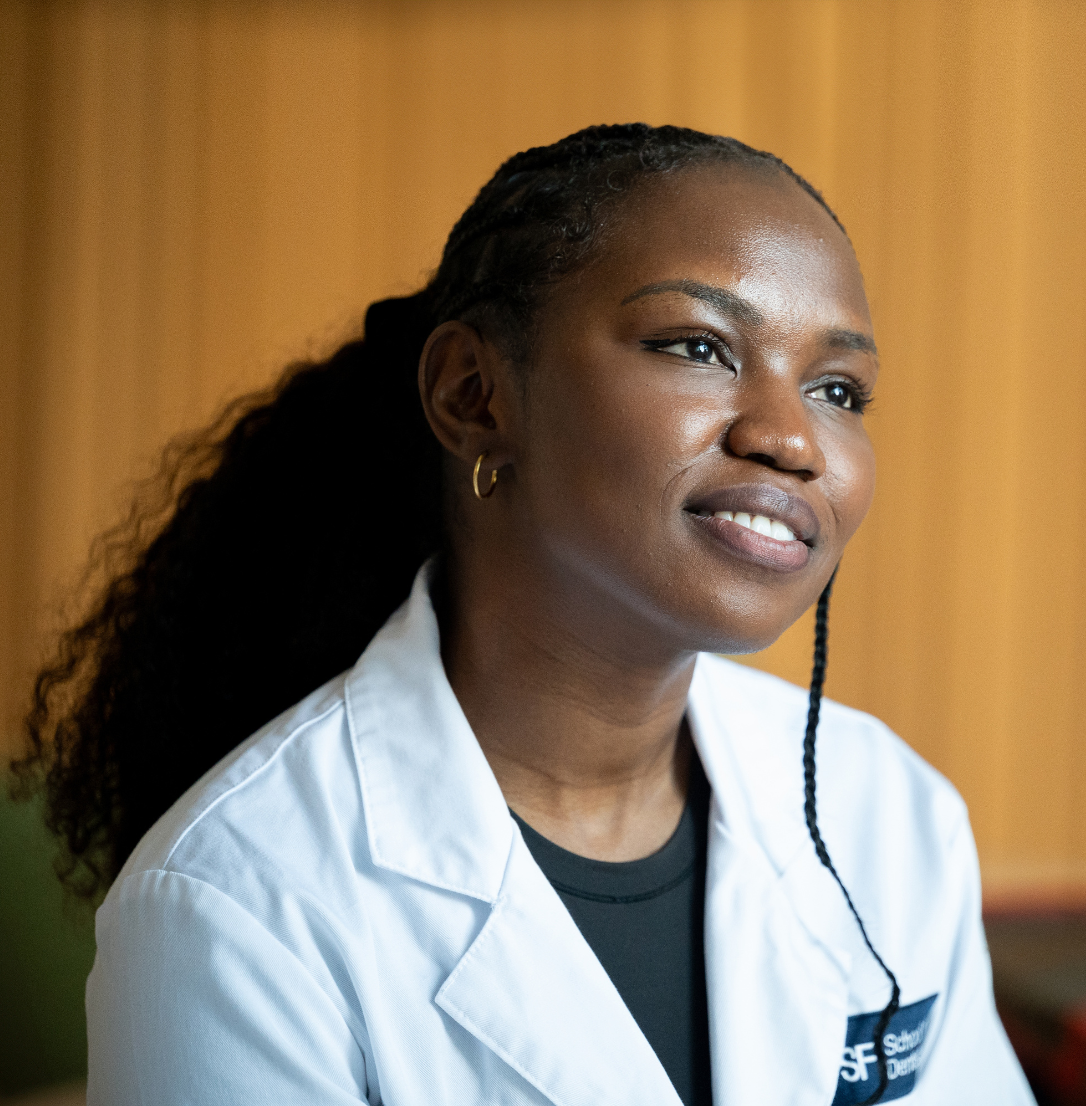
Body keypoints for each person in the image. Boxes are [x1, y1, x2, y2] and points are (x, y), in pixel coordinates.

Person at [15, 124, 1033, 1105]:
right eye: (699, 346)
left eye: (838, 388)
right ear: (474, 394)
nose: (793, 438)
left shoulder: (890, 814)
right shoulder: (236, 898)